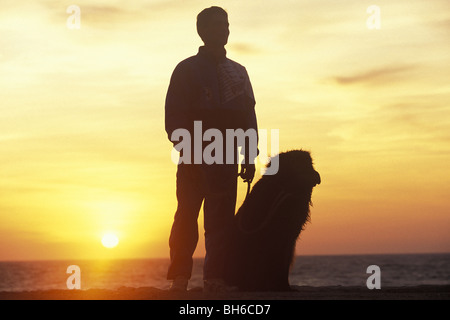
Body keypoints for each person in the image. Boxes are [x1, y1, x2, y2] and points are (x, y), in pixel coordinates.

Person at [165, 6, 258, 292]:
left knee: (220, 222)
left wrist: (249, 155)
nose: (224, 30)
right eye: (218, 25)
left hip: (227, 157)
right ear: (202, 31)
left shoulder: (239, 73)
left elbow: (248, 115)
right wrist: (187, 148)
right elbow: (173, 115)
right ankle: (179, 278)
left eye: (226, 24)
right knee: (186, 218)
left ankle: (215, 279)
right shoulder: (186, 69)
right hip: (194, 157)